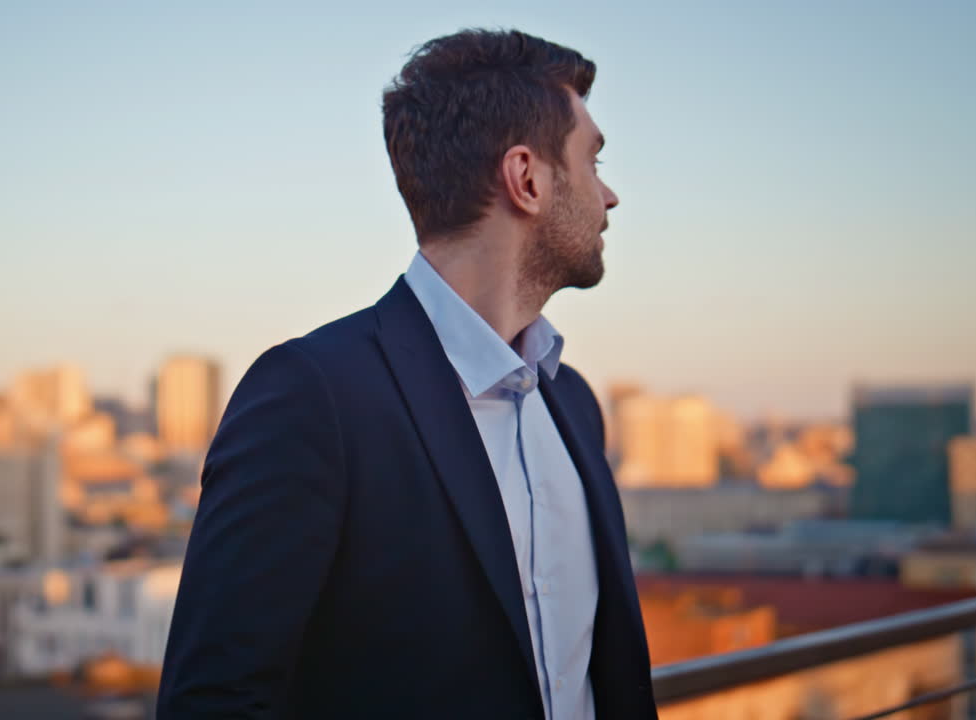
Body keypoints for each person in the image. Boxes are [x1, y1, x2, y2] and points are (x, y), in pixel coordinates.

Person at [157, 28, 657, 720]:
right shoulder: (312, 398)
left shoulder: (572, 402)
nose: (609, 196)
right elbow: (215, 701)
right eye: (592, 161)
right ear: (528, 178)